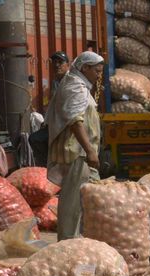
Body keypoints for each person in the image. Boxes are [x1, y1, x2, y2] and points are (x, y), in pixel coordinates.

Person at [45, 51, 104, 240]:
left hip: (82, 154)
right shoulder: (75, 87)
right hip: (77, 153)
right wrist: (89, 150)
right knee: (73, 202)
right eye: (96, 71)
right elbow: (75, 120)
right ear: (85, 68)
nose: (98, 75)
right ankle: (68, 241)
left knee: (87, 199)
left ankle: (84, 238)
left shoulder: (79, 85)